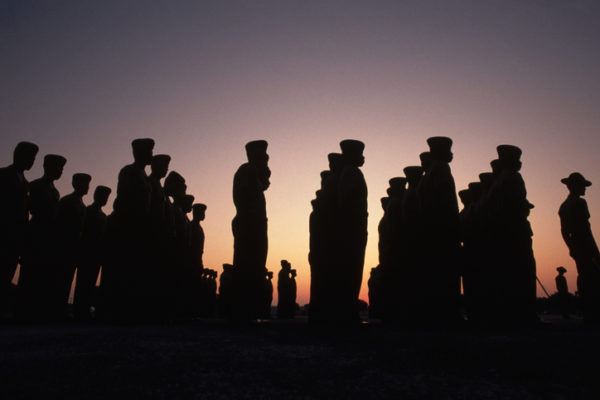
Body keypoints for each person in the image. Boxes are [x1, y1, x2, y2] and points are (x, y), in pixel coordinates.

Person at [418, 137, 461, 324]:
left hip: (432, 231)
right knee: (445, 272)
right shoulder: (441, 169)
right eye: (447, 150)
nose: (451, 154)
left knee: (435, 272)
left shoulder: (430, 174)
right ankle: (446, 313)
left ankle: (438, 312)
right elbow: (445, 204)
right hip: (443, 231)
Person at [18, 154, 66, 320]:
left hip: (49, 236)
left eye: (61, 169)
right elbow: (30, 209)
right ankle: (24, 311)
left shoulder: (56, 191)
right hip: (37, 232)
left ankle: (37, 310)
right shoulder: (36, 185)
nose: (59, 171)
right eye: (57, 167)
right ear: (46, 167)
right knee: (30, 272)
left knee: (43, 272)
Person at [232, 140, 270, 320]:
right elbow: (245, 200)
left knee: (256, 266)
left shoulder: (251, 173)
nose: (266, 161)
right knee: (248, 265)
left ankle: (249, 310)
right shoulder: (246, 171)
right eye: (264, 158)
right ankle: (243, 310)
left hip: (255, 226)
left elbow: (263, 184)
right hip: (249, 227)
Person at [0, 141, 38, 317]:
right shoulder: (3, 175)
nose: (32, 161)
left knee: (7, 272)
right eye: (30, 157)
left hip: (16, 237)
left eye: (33, 158)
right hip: (3, 232)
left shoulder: (26, 184)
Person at [559, 172, 600, 323]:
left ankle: (589, 310)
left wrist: (571, 247)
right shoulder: (580, 203)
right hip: (585, 243)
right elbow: (585, 229)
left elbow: (564, 232)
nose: (584, 189)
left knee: (584, 275)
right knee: (593, 277)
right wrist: (594, 250)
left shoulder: (564, 206)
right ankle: (593, 311)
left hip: (577, 244)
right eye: (582, 186)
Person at [335, 140, 368, 323]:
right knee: (351, 270)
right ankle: (347, 312)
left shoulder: (350, 173)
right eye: (359, 153)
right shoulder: (351, 173)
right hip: (352, 230)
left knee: (352, 270)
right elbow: (348, 204)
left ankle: (347, 311)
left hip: (353, 229)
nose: (363, 157)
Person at [54, 173, 92, 319]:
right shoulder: (67, 201)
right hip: (65, 246)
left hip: (75, 247)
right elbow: (59, 224)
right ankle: (56, 309)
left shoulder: (82, 205)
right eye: (84, 184)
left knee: (68, 278)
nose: (86, 187)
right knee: (61, 278)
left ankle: (61, 309)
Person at [74, 185, 111, 320]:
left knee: (90, 282)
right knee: (82, 282)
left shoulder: (103, 216)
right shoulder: (87, 211)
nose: (104, 199)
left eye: (106, 197)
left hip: (97, 254)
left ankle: (84, 309)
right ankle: (79, 310)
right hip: (86, 252)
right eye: (102, 196)